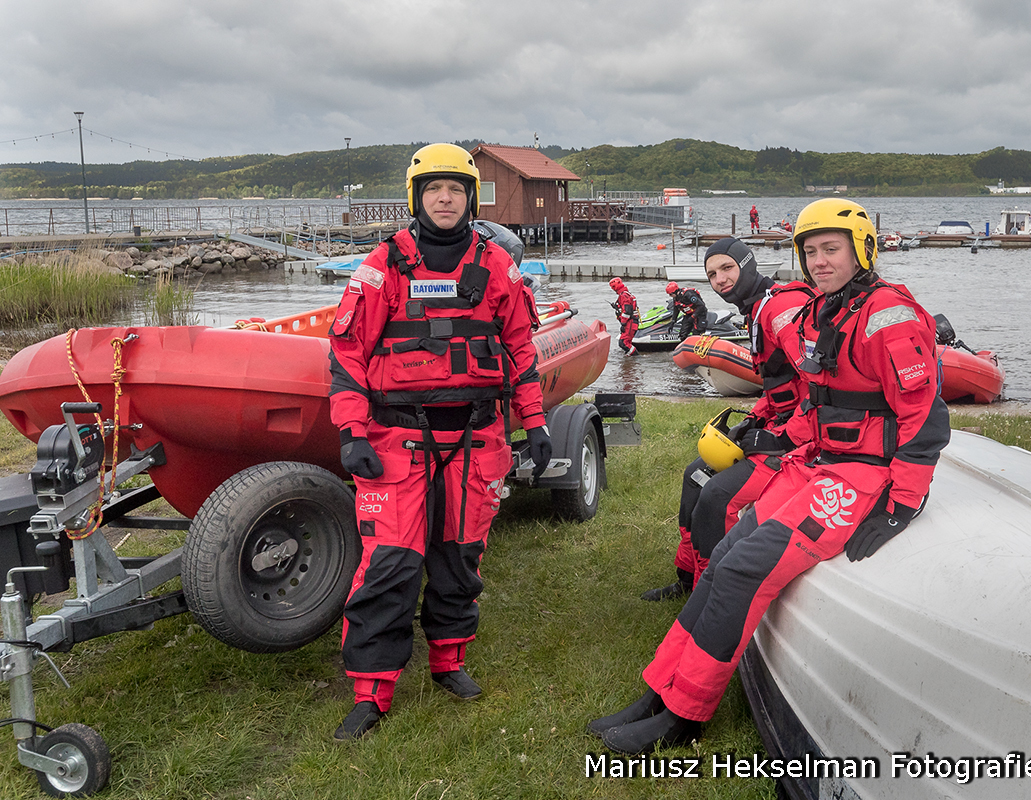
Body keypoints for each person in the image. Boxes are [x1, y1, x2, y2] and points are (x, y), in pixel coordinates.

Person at [589, 198, 950, 754]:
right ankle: (660, 690)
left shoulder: (888, 316)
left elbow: (924, 419)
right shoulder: (824, 313)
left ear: (862, 250)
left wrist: (903, 502)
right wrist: (772, 437)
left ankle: (687, 714)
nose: (821, 261)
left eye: (832, 249)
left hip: (861, 477)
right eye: (810, 252)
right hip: (816, 463)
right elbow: (821, 402)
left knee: (742, 571)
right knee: (724, 558)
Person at [327, 143, 553, 740]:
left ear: (471, 197)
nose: (445, 198)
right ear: (416, 197)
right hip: (397, 439)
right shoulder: (383, 266)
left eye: (455, 188)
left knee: (459, 556)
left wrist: (536, 424)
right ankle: (372, 691)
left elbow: (521, 352)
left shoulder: (498, 266)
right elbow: (348, 354)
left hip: (476, 437)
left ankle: (448, 661)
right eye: (434, 189)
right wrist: (351, 432)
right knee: (391, 564)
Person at [641, 237, 816, 602]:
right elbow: (781, 387)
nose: (720, 280)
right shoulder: (756, 308)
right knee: (696, 477)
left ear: (747, 265)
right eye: (712, 274)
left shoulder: (783, 308)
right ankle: (687, 581)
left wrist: (780, 439)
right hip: (783, 426)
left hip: (807, 441)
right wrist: (754, 419)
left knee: (717, 496)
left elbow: (822, 389)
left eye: (727, 269)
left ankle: (712, 592)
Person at [609, 277, 640, 355]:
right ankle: (630, 361)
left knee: (623, 343)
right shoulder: (625, 294)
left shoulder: (624, 295)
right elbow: (626, 308)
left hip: (630, 322)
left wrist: (623, 324)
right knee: (626, 342)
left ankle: (635, 358)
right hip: (631, 322)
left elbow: (627, 312)